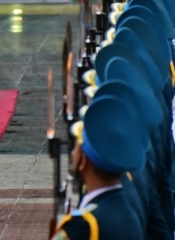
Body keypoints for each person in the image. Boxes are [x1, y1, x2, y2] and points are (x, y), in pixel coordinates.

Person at [52, 94, 147, 240]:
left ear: (84, 161)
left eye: (76, 148)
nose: (72, 154)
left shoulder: (82, 226)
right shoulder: (130, 201)